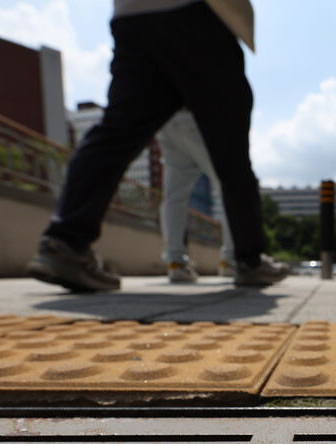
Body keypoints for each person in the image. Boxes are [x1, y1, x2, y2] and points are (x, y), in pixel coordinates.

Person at [27, 0, 288, 291]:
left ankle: (65, 241)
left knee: (116, 135)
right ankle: (248, 259)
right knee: (231, 157)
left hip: (132, 15)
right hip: (195, 14)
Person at [156, 109, 236, 283]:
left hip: (166, 120)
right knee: (228, 188)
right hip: (197, 116)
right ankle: (231, 260)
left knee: (173, 196)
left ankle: (175, 263)